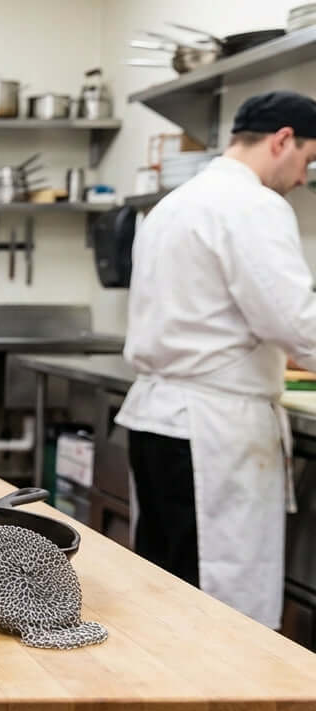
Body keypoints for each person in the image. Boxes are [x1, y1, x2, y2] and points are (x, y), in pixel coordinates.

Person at [117, 90, 316, 636]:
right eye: (307, 159)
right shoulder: (252, 205)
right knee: (213, 605)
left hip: (160, 421)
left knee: (166, 588)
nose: (302, 178)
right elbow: (296, 324)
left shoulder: (173, 204)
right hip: (210, 434)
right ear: (282, 140)